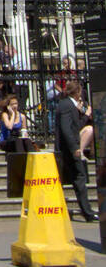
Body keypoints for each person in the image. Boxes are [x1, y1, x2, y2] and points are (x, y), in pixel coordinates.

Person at [54, 83, 96, 222]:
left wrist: (83, 114)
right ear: (77, 92)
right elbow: (67, 129)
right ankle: (88, 212)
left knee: (78, 178)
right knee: (79, 177)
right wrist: (74, 148)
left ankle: (87, 211)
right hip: (69, 150)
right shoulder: (66, 105)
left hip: (69, 149)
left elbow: (75, 126)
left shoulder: (68, 105)